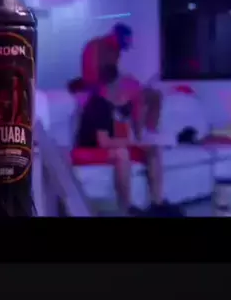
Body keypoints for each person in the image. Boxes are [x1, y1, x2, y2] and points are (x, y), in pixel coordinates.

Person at [71, 23, 181, 216]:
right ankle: (127, 207)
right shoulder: (99, 103)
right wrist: (131, 142)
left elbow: (122, 127)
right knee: (122, 153)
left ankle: (157, 202)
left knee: (152, 149)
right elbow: (104, 141)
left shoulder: (119, 100)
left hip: (110, 139)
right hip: (89, 148)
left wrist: (139, 139)